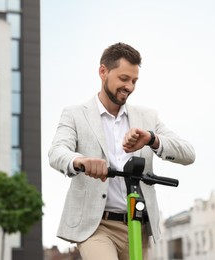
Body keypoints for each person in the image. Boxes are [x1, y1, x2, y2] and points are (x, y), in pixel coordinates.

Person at [48, 42, 195, 260]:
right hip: (97, 226)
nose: (130, 86)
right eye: (124, 79)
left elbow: (188, 153)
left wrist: (152, 139)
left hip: (139, 224)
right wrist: (81, 161)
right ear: (103, 71)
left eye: (134, 81)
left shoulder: (147, 118)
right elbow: (57, 152)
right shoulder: (75, 114)